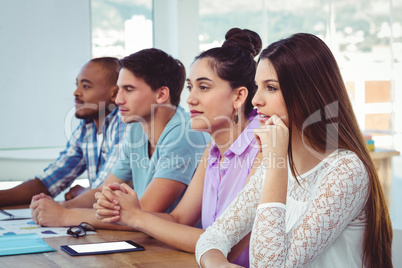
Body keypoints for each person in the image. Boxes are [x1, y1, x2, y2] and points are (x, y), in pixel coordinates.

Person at [195, 33, 393, 268]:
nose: (256, 100)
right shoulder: (281, 161)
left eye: (271, 87)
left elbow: (271, 266)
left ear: (306, 92)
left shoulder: (346, 170)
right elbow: (213, 236)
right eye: (257, 87)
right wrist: (218, 264)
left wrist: (275, 161)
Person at [94, 28, 263, 267]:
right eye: (190, 87)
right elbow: (179, 218)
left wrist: (137, 217)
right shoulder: (214, 147)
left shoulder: (262, 146)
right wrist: (124, 212)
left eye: (203, 87)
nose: (191, 99)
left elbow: (225, 245)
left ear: (238, 97)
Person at [30, 48, 209, 229]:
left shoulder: (183, 134)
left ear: (161, 95)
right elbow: (104, 191)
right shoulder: (136, 129)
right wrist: (61, 207)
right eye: (119, 90)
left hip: (176, 249)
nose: (118, 100)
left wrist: (66, 216)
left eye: (129, 90)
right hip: (150, 242)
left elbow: (142, 214)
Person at [0, 57, 126, 206]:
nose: (76, 92)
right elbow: (48, 182)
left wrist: (84, 193)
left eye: (85, 86)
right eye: (77, 84)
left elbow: (104, 192)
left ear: (114, 94)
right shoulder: (87, 128)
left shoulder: (125, 124)